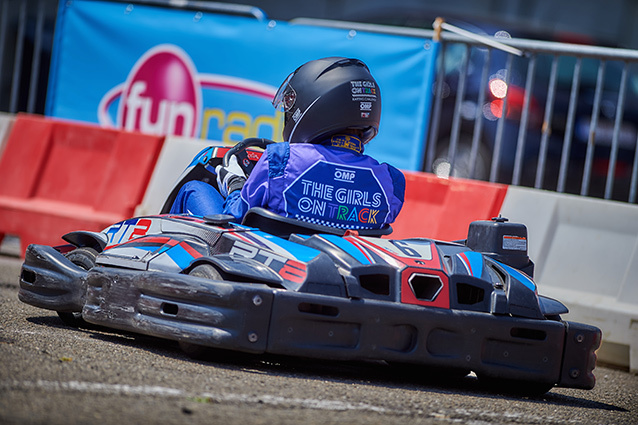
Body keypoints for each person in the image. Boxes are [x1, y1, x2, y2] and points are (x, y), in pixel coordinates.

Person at [170, 57, 405, 230]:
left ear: (318, 106)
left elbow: (235, 215)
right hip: (337, 266)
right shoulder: (389, 182)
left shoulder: (280, 160)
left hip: (259, 264)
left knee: (195, 190)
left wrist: (235, 183)